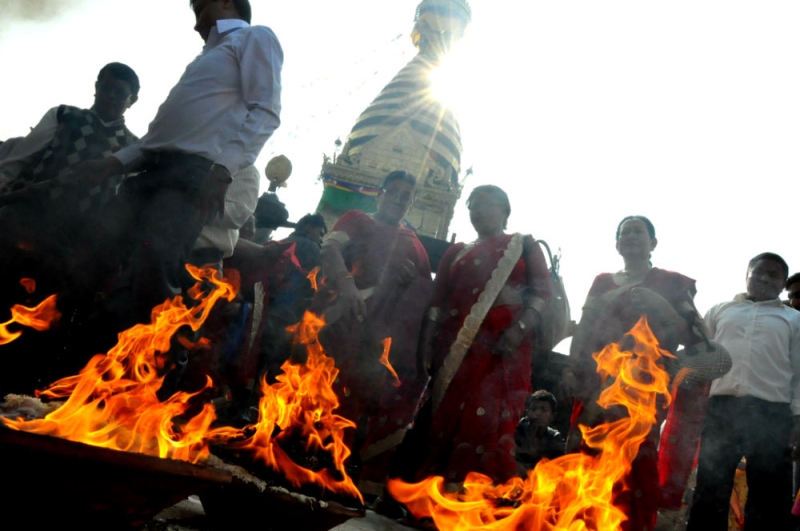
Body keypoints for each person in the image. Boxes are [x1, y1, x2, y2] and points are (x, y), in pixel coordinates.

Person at [84, 0, 282, 332]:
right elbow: (159, 138)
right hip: (151, 173)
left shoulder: (254, 38)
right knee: (99, 251)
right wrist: (113, 163)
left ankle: (160, 368)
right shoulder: (204, 60)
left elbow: (266, 110)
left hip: (191, 176)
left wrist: (222, 171)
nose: (196, 25)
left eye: (200, 10)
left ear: (225, 2)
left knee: (155, 276)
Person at [567, 215, 729, 531]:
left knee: (635, 462)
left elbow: (697, 338)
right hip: (595, 386)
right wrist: (573, 369)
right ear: (616, 245)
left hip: (642, 389)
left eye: (638, 231)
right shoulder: (602, 281)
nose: (631, 236)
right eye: (624, 232)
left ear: (653, 243)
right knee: (585, 458)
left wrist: (662, 306)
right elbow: (584, 331)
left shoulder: (670, 283)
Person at [410, 184, 552, 487]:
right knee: (444, 419)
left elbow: (542, 294)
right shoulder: (457, 252)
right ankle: (434, 497)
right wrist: (425, 345)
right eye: (472, 205)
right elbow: (437, 304)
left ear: (505, 210)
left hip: (502, 350)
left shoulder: (523, 245)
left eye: (486, 204)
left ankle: (473, 499)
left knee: (487, 422)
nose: (478, 210)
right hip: (455, 351)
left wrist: (518, 330)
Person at [314, 170, 432, 497]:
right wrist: (348, 286)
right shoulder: (357, 220)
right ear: (380, 194)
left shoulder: (417, 248)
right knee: (315, 394)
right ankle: (295, 463)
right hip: (335, 325)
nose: (398, 199)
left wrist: (409, 285)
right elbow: (329, 251)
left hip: (372, 342)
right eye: (392, 192)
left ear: (412, 202)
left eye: (405, 196)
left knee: (350, 407)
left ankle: (331, 478)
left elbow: (422, 304)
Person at [687, 253, 800, 531]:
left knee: (769, 496)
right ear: (746, 275)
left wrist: (798, 419)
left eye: (773, 275)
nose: (764, 278)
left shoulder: (794, 319)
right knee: (710, 489)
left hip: (772, 415)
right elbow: (700, 355)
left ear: (783, 283)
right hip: (722, 411)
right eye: (758, 272)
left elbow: (799, 373)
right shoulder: (721, 310)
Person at [514, 390, 565, 475]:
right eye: (533, 409)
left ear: (553, 416)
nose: (537, 413)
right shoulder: (518, 432)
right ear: (527, 413)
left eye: (543, 410)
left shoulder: (555, 439)